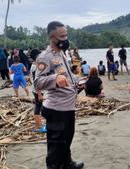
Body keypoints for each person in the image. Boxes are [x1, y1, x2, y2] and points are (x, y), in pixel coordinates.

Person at [34, 21, 84, 169]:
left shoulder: (61, 54)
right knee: (55, 146)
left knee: (67, 139)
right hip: (56, 110)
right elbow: (37, 82)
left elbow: (65, 75)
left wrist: (78, 81)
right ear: (52, 37)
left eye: (66, 35)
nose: (65, 39)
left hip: (68, 107)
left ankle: (67, 163)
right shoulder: (45, 57)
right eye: (62, 36)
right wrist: (54, 79)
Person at [29, 48, 46, 133]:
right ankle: (39, 127)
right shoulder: (37, 66)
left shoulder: (33, 65)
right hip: (37, 90)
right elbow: (37, 81)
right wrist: (39, 94)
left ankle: (39, 124)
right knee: (38, 107)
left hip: (35, 88)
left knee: (38, 106)